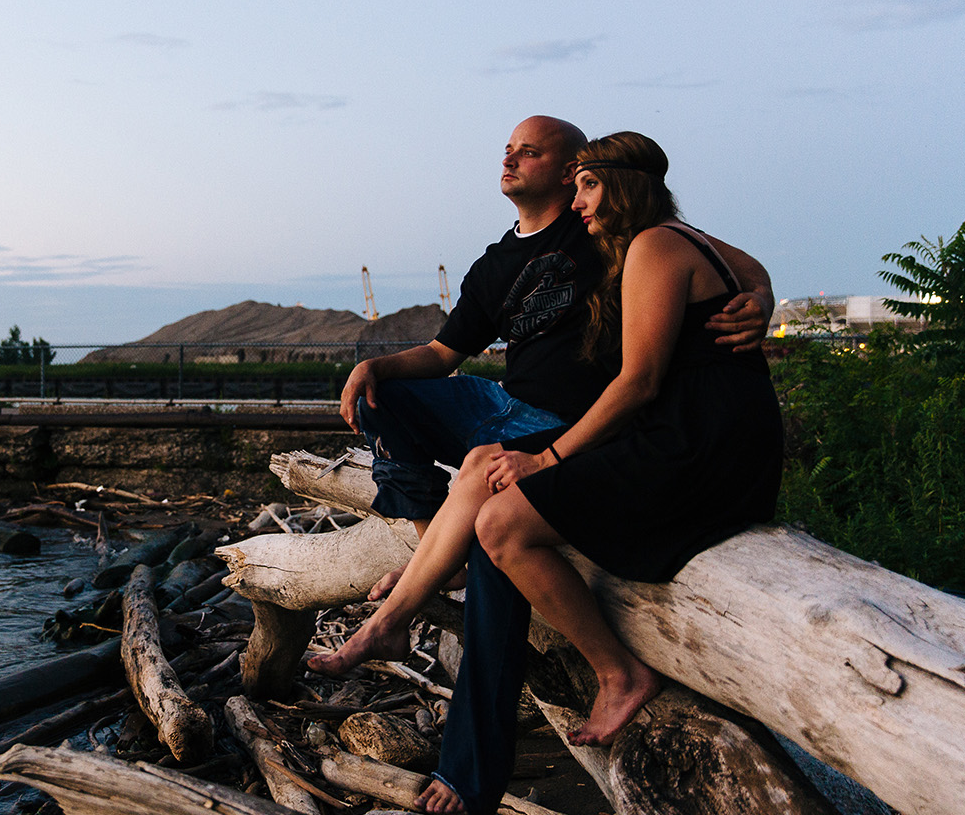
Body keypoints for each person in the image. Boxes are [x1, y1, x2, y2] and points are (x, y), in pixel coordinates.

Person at [316, 132, 784, 813]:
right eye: (577, 182)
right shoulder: (647, 237)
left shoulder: (643, 240)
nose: (578, 194)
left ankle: (524, 704)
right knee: (482, 477)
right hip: (696, 436)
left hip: (685, 444)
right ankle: (419, 588)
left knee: (499, 518)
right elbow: (450, 350)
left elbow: (642, 378)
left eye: (587, 181)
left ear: (609, 183)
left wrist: (548, 458)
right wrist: (376, 366)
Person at [344, 115, 770, 582]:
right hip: (504, 399)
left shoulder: (599, 224)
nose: (509, 159)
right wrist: (374, 365)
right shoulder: (493, 263)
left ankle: (445, 568)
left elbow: (717, 254)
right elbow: (442, 354)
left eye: (529, 151)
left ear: (571, 172)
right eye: (508, 148)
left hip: (568, 416)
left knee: (494, 495)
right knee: (384, 398)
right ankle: (439, 555)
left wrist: (761, 294)